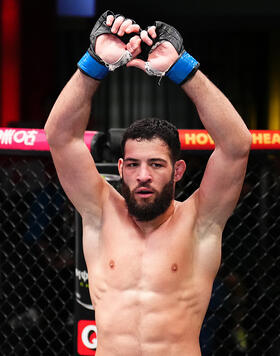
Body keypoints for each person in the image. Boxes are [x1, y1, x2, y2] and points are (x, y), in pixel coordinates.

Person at [44, 10, 252, 356]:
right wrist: (95, 62)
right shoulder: (100, 213)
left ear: (178, 170)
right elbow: (60, 136)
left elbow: (236, 145)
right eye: (135, 165)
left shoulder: (200, 222)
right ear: (121, 168)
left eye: (156, 164)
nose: (143, 175)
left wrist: (182, 68)